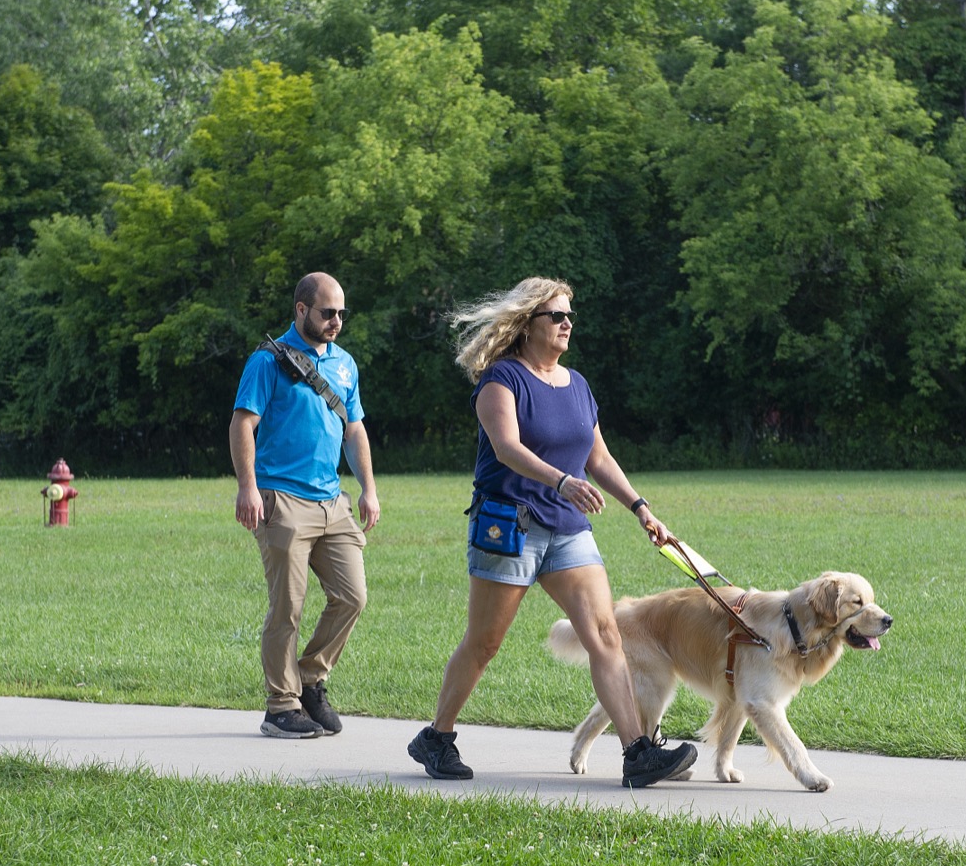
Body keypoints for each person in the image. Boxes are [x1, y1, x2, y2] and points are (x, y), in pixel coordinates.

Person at [407, 277, 698, 788]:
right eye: (557, 317)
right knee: (485, 642)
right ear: (528, 325)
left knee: (606, 634)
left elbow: (598, 456)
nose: (567, 325)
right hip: (510, 525)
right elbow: (507, 448)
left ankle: (638, 752)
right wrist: (562, 481)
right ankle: (436, 737)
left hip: (567, 529)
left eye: (570, 317)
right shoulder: (502, 380)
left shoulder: (578, 385)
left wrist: (641, 507)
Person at [231, 272, 380, 738]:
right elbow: (242, 424)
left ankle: (311, 679)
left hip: (331, 501)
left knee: (353, 595)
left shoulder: (345, 364)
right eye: (327, 313)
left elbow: (354, 430)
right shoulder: (267, 361)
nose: (336, 321)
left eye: (341, 313)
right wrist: (248, 487)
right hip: (282, 499)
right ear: (301, 310)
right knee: (287, 609)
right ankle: (281, 706)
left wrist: (368, 488)